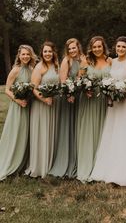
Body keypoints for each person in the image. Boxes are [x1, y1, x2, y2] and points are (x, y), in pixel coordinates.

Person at [90, 36, 126, 187]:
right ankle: (110, 169)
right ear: (115, 47)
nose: (120, 49)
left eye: (123, 47)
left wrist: (123, 92)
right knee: (113, 133)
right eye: (118, 47)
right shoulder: (111, 61)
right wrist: (110, 91)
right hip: (114, 104)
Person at [76, 36, 111, 182]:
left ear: (103, 47)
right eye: (94, 47)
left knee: (104, 132)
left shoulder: (110, 61)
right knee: (89, 132)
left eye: (99, 46)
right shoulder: (86, 61)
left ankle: (103, 167)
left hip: (105, 101)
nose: (97, 49)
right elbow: (79, 80)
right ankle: (87, 168)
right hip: (89, 101)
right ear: (91, 48)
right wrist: (85, 89)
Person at [49, 38, 85, 178]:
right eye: (69, 48)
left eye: (74, 48)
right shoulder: (66, 61)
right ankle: (66, 162)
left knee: (79, 127)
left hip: (81, 97)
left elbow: (83, 77)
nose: (72, 50)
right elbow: (63, 81)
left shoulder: (84, 59)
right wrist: (69, 94)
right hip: (69, 98)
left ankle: (79, 160)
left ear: (78, 47)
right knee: (68, 127)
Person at [0, 45, 36, 181]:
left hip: (29, 106)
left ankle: (23, 164)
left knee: (26, 134)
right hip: (18, 106)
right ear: (19, 56)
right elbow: (7, 90)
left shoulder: (32, 70)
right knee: (16, 133)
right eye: (23, 54)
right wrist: (19, 101)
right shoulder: (15, 70)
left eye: (28, 54)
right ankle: (11, 163)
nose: (26, 57)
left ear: (31, 56)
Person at [25, 41, 60, 178]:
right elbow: (34, 88)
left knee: (52, 133)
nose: (47, 54)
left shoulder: (56, 66)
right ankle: (40, 166)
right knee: (42, 133)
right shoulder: (39, 67)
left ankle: (51, 164)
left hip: (55, 105)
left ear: (54, 52)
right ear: (41, 53)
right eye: (45, 51)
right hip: (41, 105)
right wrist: (44, 99)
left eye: (49, 51)